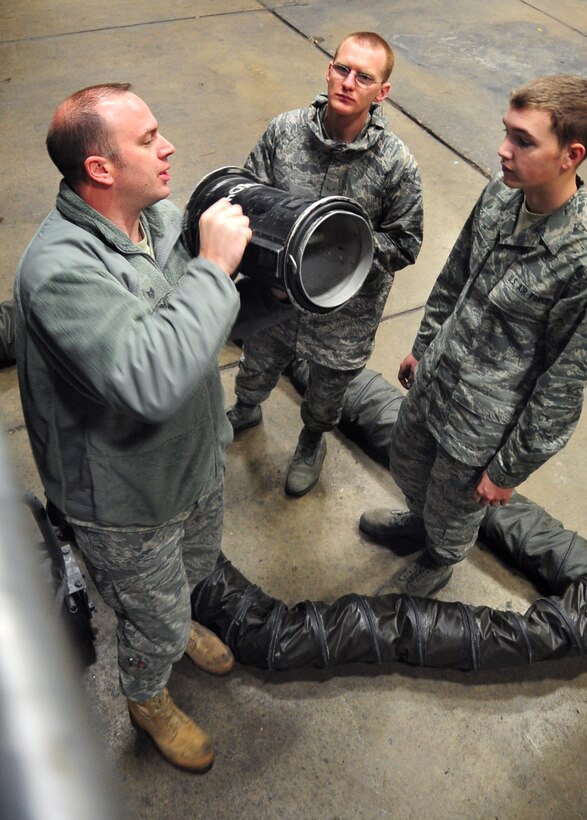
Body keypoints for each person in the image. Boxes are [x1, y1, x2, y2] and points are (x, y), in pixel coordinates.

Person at [13, 83, 254, 773]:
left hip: (194, 462)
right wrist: (213, 268)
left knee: (196, 570)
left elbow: (202, 326)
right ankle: (149, 697)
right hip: (125, 502)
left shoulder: (159, 219)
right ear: (100, 170)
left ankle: (177, 626)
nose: (169, 145)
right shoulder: (60, 271)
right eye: (148, 138)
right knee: (151, 616)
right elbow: (147, 379)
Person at [360, 75, 587, 597]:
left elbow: (562, 385)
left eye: (523, 141)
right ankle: (418, 523)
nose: (503, 150)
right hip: (437, 378)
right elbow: (455, 275)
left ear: (571, 155)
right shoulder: (502, 196)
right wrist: (424, 345)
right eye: (507, 132)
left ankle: (439, 559)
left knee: (455, 510)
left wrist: (507, 469)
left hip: (482, 424)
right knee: (408, 463)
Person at [226, 31, 423, 497]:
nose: (348, 82)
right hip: (275, 293)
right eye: (342, 69)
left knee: (327, 393)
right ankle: (246, 408)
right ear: (328, 69)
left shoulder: (396, 164)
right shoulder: (286, 132)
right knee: (257, 361)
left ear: (383, 91)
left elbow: (407, 241)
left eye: (364, 77)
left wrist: (348, 244)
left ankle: (313, 441)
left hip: (343, 311)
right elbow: (247, 193)